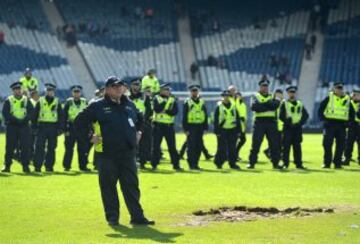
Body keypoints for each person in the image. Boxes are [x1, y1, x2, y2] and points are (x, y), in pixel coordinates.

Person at [74, 76, 154, 226]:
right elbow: (79, 122)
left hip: (128, 154)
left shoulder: (129, 105)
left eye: (121, 86)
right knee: (109, 187)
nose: (119, 89)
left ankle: (137, 217)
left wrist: (139, 132)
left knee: (131, 187)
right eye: (115, 86)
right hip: (107, 154)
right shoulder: (97, 105)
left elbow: (141, 119)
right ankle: (112, 218)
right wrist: (90, 136)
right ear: (107, 89)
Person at [318, 82, 354, 169]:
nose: (339, 90)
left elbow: (352, 113)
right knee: (327, 144)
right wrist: (324, 120)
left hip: (342, 126)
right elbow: (320, 110)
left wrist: (349, 123)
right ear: (334, 89)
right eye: (338, 88)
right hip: (330, 124)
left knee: (341, 145)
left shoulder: (347, 99)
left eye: (341, 88)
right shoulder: (329, 97)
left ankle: (337, 163)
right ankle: (327, 163)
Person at [248, 80, 282, 169]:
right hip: (259, 122)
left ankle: (275, 163)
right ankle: (252, 163)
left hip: (272, 123)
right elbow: (255, 107)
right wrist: (269, 105)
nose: (265, 87)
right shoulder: (255, 96)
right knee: (256, 144)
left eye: (266, 86)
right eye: (263, 86)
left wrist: (263, 105)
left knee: (274, 145)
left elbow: (275, 106)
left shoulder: (272, 95)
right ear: (259, 86)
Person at [1, 82, 33, 173]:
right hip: (12, 126)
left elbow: (31, 112)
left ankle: (25, 167)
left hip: (24, 126)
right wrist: (16, 120)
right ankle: (7, 166)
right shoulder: (8, 100)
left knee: (25, 147)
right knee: (10, 147)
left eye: (19, 89)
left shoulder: (26, 100)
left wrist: (24, 120)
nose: (18, 91)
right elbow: (5, 113)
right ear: (13, 91)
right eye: (16, 89)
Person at [32, 83, 63, 172]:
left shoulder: (57, 101)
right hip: (42, 126)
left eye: (52, 91)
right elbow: (35, 115)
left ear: (54, 92)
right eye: (48, 91)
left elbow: (61, 116)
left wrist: (60, 128)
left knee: (52, 148)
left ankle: (49, 166)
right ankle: (37, 166)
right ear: (46, 91)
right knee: (39, 147)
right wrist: (34, 127)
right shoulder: (40, 101)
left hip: (53, 127)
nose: (50, 92)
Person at [151, 83, 181, 170]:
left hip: (169, 126)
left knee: (172, 147)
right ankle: (154, 164)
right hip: (158, 126)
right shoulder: (156, 98)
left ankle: (176, 165)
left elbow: (174, 112)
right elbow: (157, 109)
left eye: (169, 90)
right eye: (166, 90)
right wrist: (167, 109)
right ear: (161, 90)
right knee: (156, 146)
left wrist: (165, 110)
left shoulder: (172, 99)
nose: (168, 91)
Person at [279, 86, 309, 169]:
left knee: (297, 147)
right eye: (290, 92)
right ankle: (285, 163)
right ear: (288, 93)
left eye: (293, 92)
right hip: (288, 128)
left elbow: (305, 115)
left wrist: (300, 123)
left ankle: (299, 164)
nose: (292, 94)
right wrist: (288, 122)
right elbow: (281, 116)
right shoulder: (284, 103)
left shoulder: (300, 103)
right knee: (286, 147)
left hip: (297, 129)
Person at [62, 85, 90, 171]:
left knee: (83, 148)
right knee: (69, 148)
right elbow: (63, 116)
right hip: (71, 127)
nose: (76, 94)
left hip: (82, 128)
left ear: (80, 93)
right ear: (72, 93)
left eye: (78, 92)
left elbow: (88, 116)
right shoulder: (69, 102)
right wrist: (65, 129)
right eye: (75, 92)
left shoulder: (85, 102)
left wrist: (89, 128)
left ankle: (83, 166)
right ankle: (67, 166)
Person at [128, 79, 153, 169]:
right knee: (130, 143)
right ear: (131, 86)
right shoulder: (126, 97)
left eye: (138, 85)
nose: (137, 86)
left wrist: (146, 120)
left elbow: (149, 109)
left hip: (142, 122)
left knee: (144, 143)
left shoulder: (144, 97)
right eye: (135, 84)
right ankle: (131, 161)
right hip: (130, 123)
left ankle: (142, 162)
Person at [182, 84, 208, 170]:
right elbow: (184, 116)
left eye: (196, 91)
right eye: (193, 91)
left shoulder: (202, 102)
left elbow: (205, 115)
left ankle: (196, 163)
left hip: (200, 126)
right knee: (191, 147)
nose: (195, 92)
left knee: (199, 146)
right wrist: (185, 129)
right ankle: (191, 164)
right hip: (191, 126)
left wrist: (205, 128)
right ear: (190, 92)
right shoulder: (188, 102)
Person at [213, 90, 241, 170]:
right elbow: (216, 120)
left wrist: (238, 130)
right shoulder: (219, 106)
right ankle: (218, 163)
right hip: (222, 129)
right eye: (224, 96)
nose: (226, 97)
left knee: (232, 148)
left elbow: (237, 118)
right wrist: (217, 131)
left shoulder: (233, 106)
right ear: (222, 97)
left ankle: (232, 163)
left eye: (228, 96)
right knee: (222, 147)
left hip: (232, 129)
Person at [264, 89, 284, 159]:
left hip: (282, 125)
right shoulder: (273, 102)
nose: (279, 95)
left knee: (280, 141)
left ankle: (270, 152)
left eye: (280, 94)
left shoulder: (284, 102)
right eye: (277, 94)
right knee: (276, 142)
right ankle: (274, 154)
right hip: (275, 124)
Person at [343, 89, 360, 165]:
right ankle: (347, 159)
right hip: (351, 125)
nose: (354, 96)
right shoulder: (348, 103)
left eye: (356, 95)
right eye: (353, 95)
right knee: (349, 143)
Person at [235, 91, 247, 160]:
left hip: (242, 124)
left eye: (239, 95)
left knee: (243, 140)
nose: (238, 96)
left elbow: (244, 115)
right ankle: (234, 155)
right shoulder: (234, 103)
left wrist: (244, 125)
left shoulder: (243, 104)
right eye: (237, 95)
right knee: (235, 140)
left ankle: (236, 153)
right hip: (236, 124)